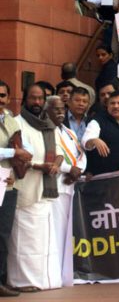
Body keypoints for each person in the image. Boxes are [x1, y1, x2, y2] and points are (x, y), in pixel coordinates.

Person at [9, 84, 64, 292]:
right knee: (25, 240)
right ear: (24, 100)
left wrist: (56, 164)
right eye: (33, 98)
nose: (37, 102)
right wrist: (39, 166)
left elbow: (58, 151)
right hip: (25, 188)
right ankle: (22, 281)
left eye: (41, 98)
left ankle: (47, 280)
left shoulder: (48, 124)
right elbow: (15, 156)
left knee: (44, 241)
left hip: (46, 189)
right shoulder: (16, 123)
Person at [46, 96, 84, 288]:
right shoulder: (46, 130)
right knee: (57, 232)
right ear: (47, 111)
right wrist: (69, 170)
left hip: (71, 185)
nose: (60, 112)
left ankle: (65, 273)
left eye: (62, 109)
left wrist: (78, 172)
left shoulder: (69, 132)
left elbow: (81, 155)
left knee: (67, 233)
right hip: (57, 186)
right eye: (56, 109)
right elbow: (50, 157)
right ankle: (55, 275)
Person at [0, 80, 30, 297]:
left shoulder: (12, 121)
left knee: (3, 234)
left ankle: (2, 280)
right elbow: (14, 152)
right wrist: (14, 154)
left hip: (8, 184)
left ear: (8, 98)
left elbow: (23, 146)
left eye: (2, 95)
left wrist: (23, 155)